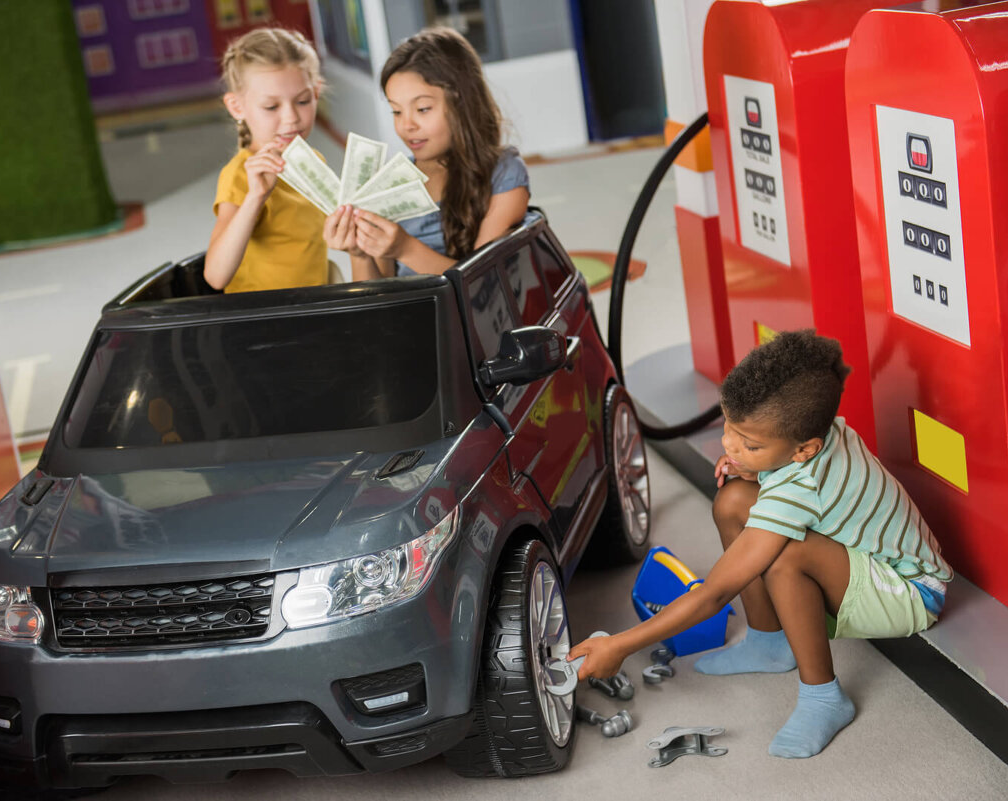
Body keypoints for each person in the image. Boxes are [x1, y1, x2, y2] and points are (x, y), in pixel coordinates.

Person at [568, 329, 952, 759]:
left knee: (785, 555)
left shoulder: (799, 485)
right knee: (733, 499)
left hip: (911, 591)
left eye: (750, 443)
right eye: (730, 427)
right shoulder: (814, 432)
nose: (729, 445)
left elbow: (715, 594)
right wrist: (756, 465)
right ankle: (769, 641)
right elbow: (794, 482)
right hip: (858, 556)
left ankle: (824, 696)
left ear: (804, 449)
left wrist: (619, 645)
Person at [324, 27, 529, 276]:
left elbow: (482, 285)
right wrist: (360, 253)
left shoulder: (504, 174)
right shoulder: (389, 185)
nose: (407, 125)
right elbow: (378, 299)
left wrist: (405, 248)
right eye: (397, 111)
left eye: (422, 109)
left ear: (463, 105)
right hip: (410, 313)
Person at [207, 29, 371, 292]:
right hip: (266, 319)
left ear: (316, 92)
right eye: (272, 107)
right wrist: (255, 198)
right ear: (237, 107)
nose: (291, 118)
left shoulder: (314, 161)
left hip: (311, 308)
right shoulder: (240, 176)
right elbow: (215, 276)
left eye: (303, 101)